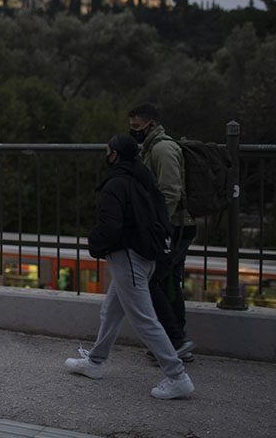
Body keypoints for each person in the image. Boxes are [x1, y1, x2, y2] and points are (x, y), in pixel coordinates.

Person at [65, 134, 194, 400]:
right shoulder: (143, 179)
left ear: (115, 154)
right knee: (111, 311)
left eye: (108, 151)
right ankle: (95, 362)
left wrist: (94, 244)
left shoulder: (116, 184)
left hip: (128, 259)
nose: (106, 155)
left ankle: (177, 376)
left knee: (144, 320)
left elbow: (110, 226)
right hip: (146, 257)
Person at [128, 103, 197, 360]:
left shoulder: (163, 149)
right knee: (168, 283)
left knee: (155, 281)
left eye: (137, 126)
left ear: (152, 124)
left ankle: (175, 342)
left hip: (175, 227)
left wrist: (158, 227)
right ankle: (174, 342)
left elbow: (170, 192)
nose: (133, 131)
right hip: (174, 226)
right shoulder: (152, 148)